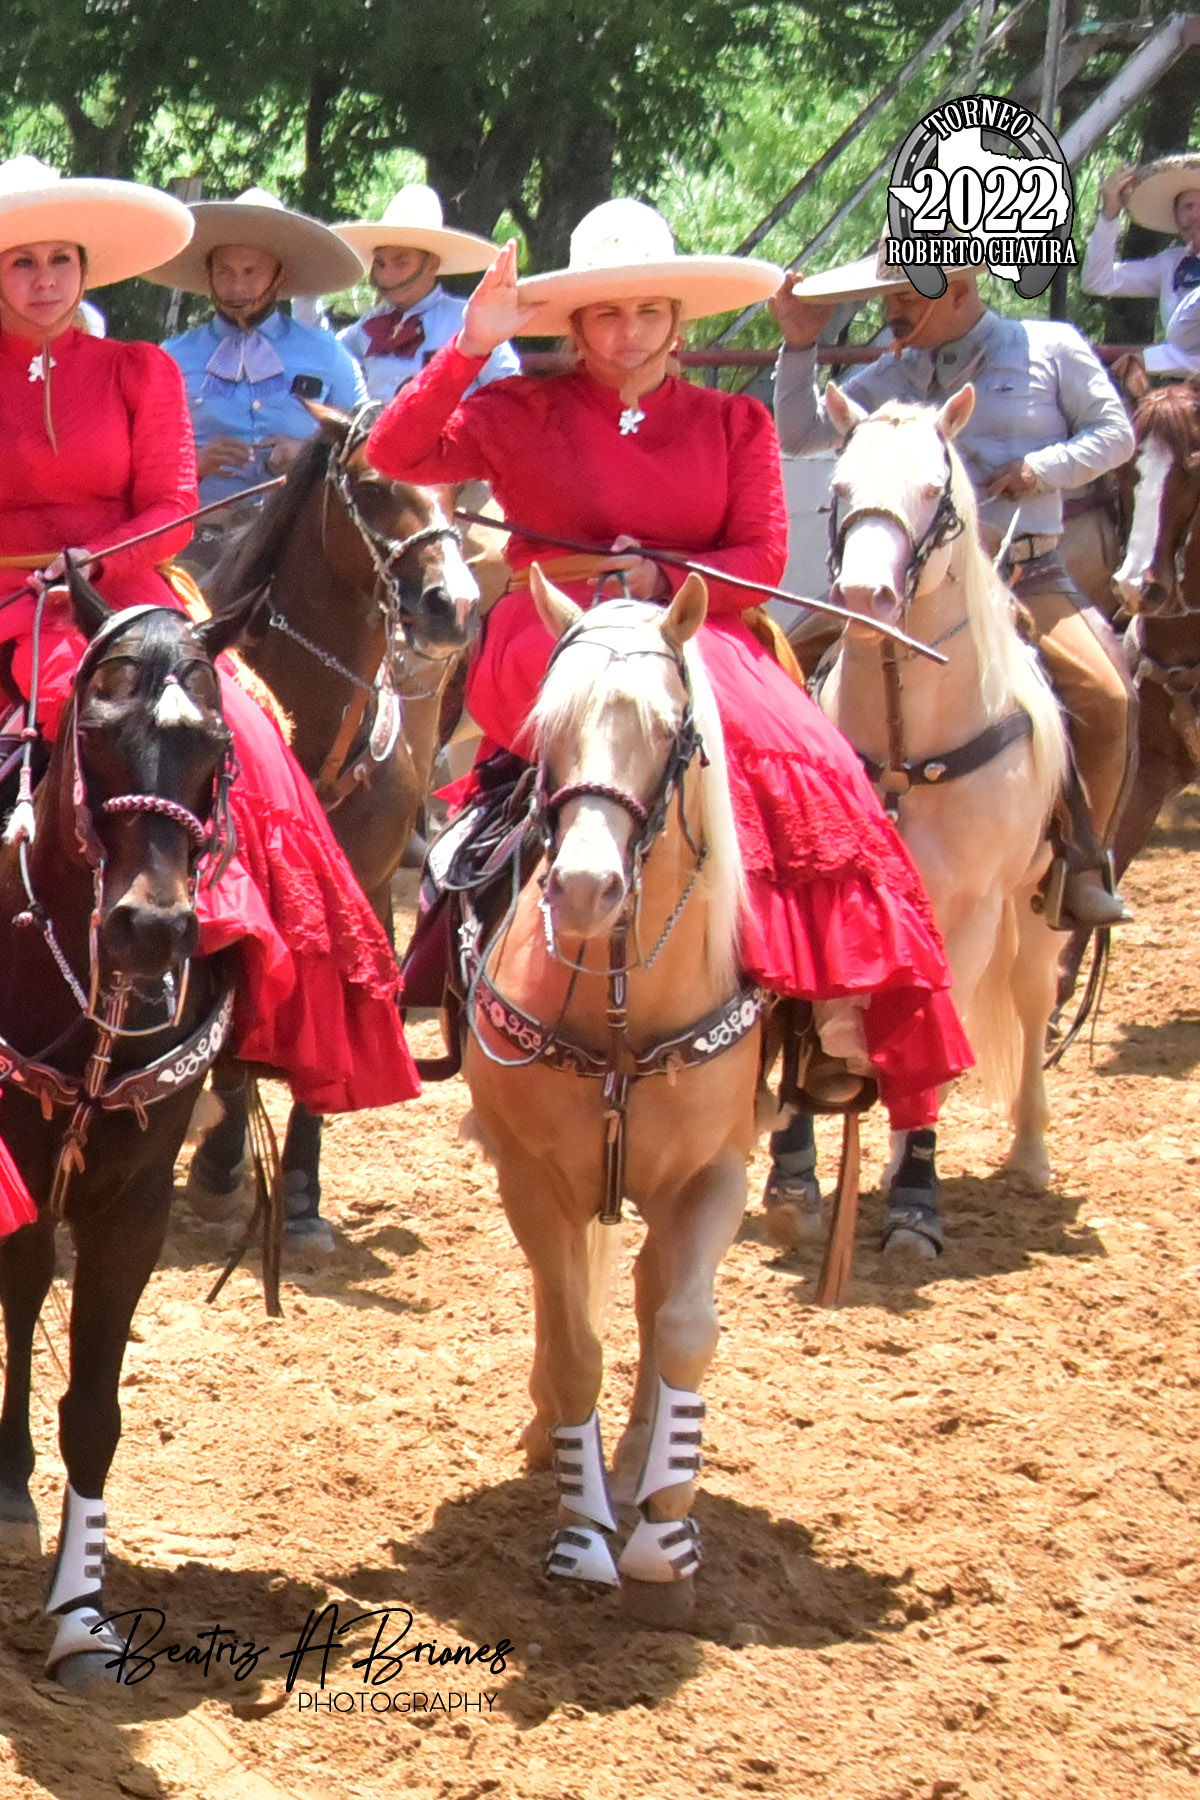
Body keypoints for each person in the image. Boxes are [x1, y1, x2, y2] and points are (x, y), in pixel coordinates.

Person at [366, 199, 973, 1211]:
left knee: (806, 760)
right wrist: (470, 346)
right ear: (576, 325)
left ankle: (819, 1006)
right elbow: (396, 453)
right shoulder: (519, 408)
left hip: (696, 629)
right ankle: (470, 961)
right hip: (553, 631)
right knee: (580, 737)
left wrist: (664, 578)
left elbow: (763, 559)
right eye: (606, 314)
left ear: (677, 321)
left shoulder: (734, 421)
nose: (628, 332)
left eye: (648, 311)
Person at [0, 158, 419, 1183]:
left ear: (84, 268)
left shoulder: (140, 368)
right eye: (21, 261)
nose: (44, 279)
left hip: (128, 591)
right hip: (1, 595)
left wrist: (91, 561)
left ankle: (250, 979)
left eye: (60, 260)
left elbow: (173, 501)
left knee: (252, 738)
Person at [772, 234, 1137, 933]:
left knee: (1107, 695)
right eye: (889, 298)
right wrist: (798, 345)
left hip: (1024, 572)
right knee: (782, 671)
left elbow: (1114, 433)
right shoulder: (884, 376)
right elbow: (801, 433)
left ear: (960, 290)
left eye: (907, 298)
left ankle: (1080, 857)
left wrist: (1042, 468)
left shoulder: (1053, 348)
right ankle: (783, 850)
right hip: (899, 584)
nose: (892, 312)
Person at [143, 188, 367, 525]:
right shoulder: (172, 358)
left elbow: (366, 445)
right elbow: (141, 459)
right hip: (200, 529)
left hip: (298, 533)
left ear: (280, 277)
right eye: (225, 272)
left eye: (252, 272)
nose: (237, 287)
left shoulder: (327, 353)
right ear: (208, 276)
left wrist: (307, 457)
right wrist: (194, 465)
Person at [335, 184, 519, 403]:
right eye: (381, 264)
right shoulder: (366, 328)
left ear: (432, 264)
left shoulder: (467, 319)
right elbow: (329, 357)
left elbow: (509, 387)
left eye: (401, 263)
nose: (387, 274)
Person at [1083, 155, 1200, 377]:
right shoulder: (1170, 263)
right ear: (1175, 216)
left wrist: (1151, 359)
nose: (1194, 215)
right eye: (1187, 206)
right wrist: (1110, 214)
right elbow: (1097, 281)